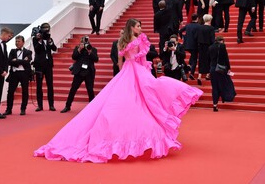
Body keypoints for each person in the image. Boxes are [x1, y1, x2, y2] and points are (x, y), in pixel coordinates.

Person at [34, 18, 203, 163]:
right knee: (134, 102)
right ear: (131, 27)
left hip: (130, 72)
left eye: (140, 26)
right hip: (134, 72)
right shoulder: (137, 40)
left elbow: (121, 62)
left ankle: (133, 137)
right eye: (138, 26)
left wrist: (125, 72)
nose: (140, 28)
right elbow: (132, 60)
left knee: (138, 102)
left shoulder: (126, 41)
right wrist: (134, 69)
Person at [60, 36, 99, 113]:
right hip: (79, 72)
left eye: (87, 41)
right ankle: (67, 106)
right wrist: (79, 49)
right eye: (84, 41)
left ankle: (92, 107)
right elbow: (74, 57)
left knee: (90, 90)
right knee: (73, 89)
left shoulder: (93, 49)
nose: (85, 43)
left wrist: (89, 52)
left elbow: (96, 59)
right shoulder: (78, 48)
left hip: (89, 72)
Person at [3, 36, 32, 116]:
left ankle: (23, 109)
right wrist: (22, 61)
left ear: (23, 42)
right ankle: (9, 109)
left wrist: (16, 61)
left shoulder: (28, 52)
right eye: (16, 41)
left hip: (24, 74)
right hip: (14, 74)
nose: (17, 43)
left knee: (25, 91)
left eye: (19, 41)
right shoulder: (12, 51)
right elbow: (9, 62)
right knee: (10, 92)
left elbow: (27, 62)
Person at [32, 22, 57, 112]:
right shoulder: (36, 39)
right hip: (39, 65)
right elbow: (37, 50)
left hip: (48, 65)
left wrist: (50, 42)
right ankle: (40, 105)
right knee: (39, 86)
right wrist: (40, 40)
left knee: (50, 85)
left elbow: (54, 48)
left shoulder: (49, 38)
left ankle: (51, 105)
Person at [208, 36, 236, 111]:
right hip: (221, 69)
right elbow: (226, 58)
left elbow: (209, 59)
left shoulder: (210, 47)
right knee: (225, 84)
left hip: (213, 69)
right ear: (221, 41)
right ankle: (226, 97)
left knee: (214, 87)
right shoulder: (222, 46)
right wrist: (229, 68)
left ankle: (215, 104)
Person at [178, 13, 200, 80]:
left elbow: (180, 31)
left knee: (193, 56)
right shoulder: (199, 26)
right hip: (195, 45)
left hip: (187, 44)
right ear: (197, 18)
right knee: (194, 59)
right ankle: (192, 73)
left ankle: (189, 65)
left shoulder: (188, 25)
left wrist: (183, 37)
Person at [197, 14, 215, 85]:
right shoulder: (211, 28)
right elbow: (212, 39)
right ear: (210, 20)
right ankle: (208, 75)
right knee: (209, 60)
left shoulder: (199, 28)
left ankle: (199, 76)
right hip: (209, 46)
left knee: (201, 60)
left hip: (201, 46)